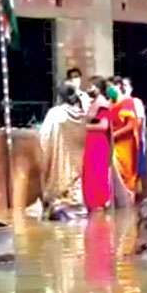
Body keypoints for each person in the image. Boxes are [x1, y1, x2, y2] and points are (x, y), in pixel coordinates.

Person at [37, 83, 87, 220]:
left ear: (60, 97)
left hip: (59, 166)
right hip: (80, 168)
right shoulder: (84, 114)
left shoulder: (55, 113)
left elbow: (44, 137)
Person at [108, 80, 142, 203]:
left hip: (126, 144)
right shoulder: (110, 104)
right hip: (113, 145)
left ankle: (129, 209)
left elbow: (131, 125)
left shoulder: (127, 102)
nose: (109, 90)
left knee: (127, 174)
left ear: (119, 87)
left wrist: (114, 135)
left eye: (111, 87)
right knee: (115, 175)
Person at [81, 76, 112, 212]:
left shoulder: (103, 103)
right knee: (89, 172)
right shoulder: (93, 102)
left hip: (98, 141)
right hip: (90, 141)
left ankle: (99, 203)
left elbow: (104, 126)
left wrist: (84, 128)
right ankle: (91, 203)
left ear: (98, 88)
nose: (88, 89)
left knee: (97, 172)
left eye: (91, 86)